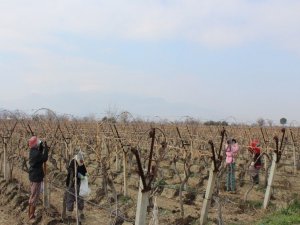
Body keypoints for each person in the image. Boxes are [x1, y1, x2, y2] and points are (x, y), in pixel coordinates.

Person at [28, 136, 49, 222]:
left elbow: (39, 151)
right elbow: (44, 158)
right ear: (35, 144)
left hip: (33, 175)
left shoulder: (33, 151)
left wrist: (42, 145)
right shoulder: (36, 154)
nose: (38, 142)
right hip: (36, 177)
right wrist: (46, 147)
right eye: (37, 142)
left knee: (33, 195)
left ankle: (30, 214)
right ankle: (31, 216)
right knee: (35, 196)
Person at [65, 151, 87, 221]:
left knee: (79, 199)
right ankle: (69, 215)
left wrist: (83, 177)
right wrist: (81, 176)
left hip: (78, 184)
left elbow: (84, 173)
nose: (82, 161)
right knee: (70, 199)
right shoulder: (73, 162)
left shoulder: (81, 163)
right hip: (72, 185)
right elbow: (73, 174)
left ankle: (81, 214)